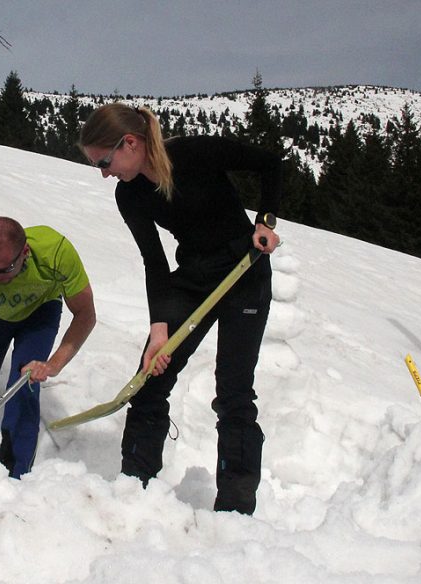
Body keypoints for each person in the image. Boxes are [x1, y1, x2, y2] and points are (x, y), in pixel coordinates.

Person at [79, 103, 282, 515]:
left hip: (245, 271)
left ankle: (235, 510)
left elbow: (271, 164)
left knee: (234, 391)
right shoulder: (129, 194)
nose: (104, 172)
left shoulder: (194, 153)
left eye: (104, 161)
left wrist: (265, 222)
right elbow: (154, 262)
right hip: (193, 276)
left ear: (130, 143)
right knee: (151, 376)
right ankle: (134, 489)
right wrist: (159, 329)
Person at [0, 216, 96, 478]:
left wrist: (52, 365)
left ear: (24, 253)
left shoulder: (55, 251)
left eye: (3, 271)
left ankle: (16, 473)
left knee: (25, 383)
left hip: (40, 311)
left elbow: (85, 315)